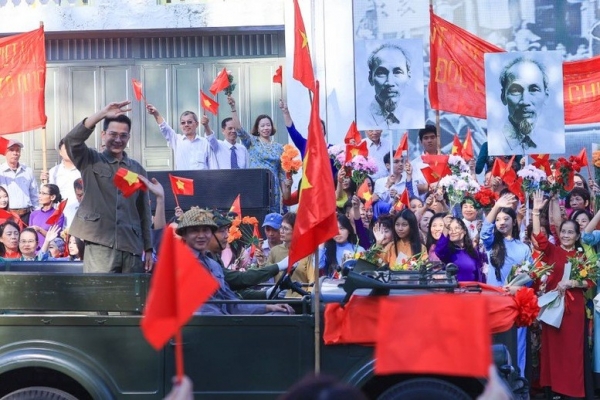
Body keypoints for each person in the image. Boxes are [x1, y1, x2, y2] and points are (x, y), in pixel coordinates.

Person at [63, 100, 153, 274]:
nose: (118, 139)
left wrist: (148, 247)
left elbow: (144, 211)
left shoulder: (137, 169)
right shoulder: (90, 160)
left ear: (129, 137)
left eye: (123, 135)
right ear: (103, 135)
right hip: (100, 244)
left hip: (131, 246)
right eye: (113, 134)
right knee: (98, 296)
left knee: (131, 298)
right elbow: (71, 141)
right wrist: (101, 114)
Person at [531, 190, 593, 398]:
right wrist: (536, 212)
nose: (566, 235)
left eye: (570, 233)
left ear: (577, 236)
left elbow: (590, 280)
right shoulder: (554, 251)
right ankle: (553, 390)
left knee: (572, 352)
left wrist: (571, 282)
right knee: (553, 352)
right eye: (563, 232)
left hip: (573, 311)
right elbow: (539, 239)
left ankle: (572, 391)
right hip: (552, 309)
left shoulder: (582, 256)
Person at [175, 207, 293, 315]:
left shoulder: (213, 265)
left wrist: (267, 307)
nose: (201, 235)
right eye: (194, 231)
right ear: (184, 234)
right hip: (200, 329)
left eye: (205, 230)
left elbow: (232, 304)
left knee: (280, 313)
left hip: (225, 324)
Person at [488, 57, 562, 155]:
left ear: (546, 96)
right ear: (503, 96)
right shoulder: (492, 144)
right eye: (515, 90)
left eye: (534, 89)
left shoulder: (556, 143)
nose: (525, 101)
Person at [227, 96, 285, 213]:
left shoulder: (279, 147)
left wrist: (285, 193)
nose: (266, 128)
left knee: (273, 220)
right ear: (257, 129)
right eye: (262, 126)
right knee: (256, 217)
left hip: (273, 190)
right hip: (256, 186)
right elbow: (238, 128)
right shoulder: (252, 142)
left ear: (272, 127)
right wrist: (233, 108)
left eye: (268, 125)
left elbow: (281, 174)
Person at [357, 43, 422, 130]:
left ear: (408, 77)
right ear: (370, 78)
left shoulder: (417, 120)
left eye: (398, 72)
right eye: (381, 73)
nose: (390, 82)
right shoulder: (359, 120)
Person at [146, 104, 210, 170]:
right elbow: (164, 127)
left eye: (189, 122)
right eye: (183, 123)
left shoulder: (205, 142)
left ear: (196, 124)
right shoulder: (177, 140)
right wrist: (156, 114)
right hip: (182, 179)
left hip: (201, 179)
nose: (186, 125)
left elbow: (212, 164)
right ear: (180, 125)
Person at [41, 139, 82, 228]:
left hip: (79, 210)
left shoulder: (82, 170)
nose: (70, 151)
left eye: (72, 148)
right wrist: (45, 182)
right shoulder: (54, 171)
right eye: (66, 149)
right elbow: (48, 192)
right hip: (60, 211)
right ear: (60, 152)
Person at [0, 139, 38, 225]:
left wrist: (36, 213)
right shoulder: (0, 172)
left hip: (27, 215)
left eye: (17, 150)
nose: (15, 153)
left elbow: (34, 195)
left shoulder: (27, 171)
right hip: (8, 215)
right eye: (12, 150)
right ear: (5, 152)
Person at [434, 217, 483, 282]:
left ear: (464, 231)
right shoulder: (448, 251)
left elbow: (479, 273)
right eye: (450, 229)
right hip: (455, 290)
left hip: (473, 289)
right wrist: (445, 228)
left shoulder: (472, 251)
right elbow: (439, 251)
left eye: (456, 228)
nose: (453, 231)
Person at [410, 125, 440, 196]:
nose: (429, 140)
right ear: (421, 141)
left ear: (437, 139)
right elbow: (413, 188)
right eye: (426, 138)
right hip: (423, 204)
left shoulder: (448, 160)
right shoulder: (414, 164)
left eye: (432, 137)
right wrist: (428, 186)